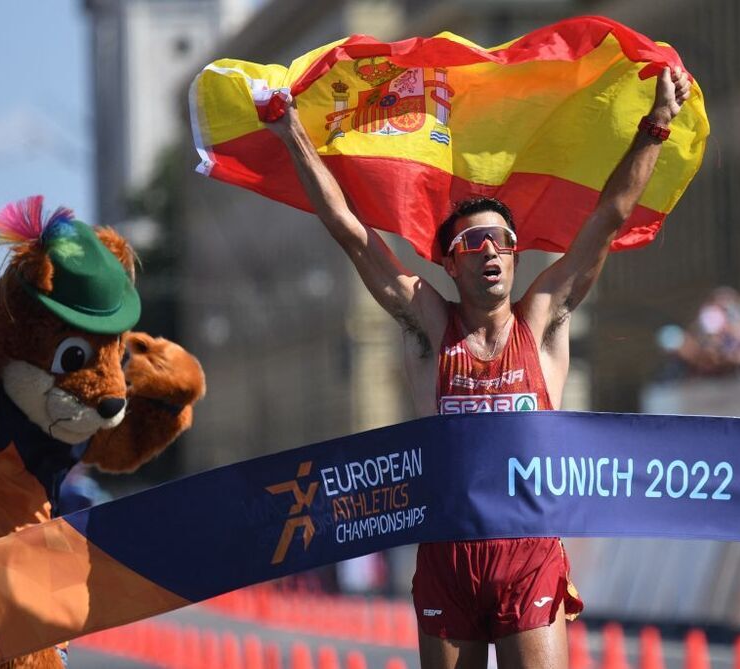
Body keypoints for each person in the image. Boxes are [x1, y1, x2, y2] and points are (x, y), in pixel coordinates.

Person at [266, 65, 690, 668]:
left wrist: (656, 126)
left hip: (528, 558)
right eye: (472, 244)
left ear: (515, 255)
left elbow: (606, 221)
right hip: (448, 560)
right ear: (449, 263)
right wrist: (291, 133)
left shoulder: (542, 320)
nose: (489, 252)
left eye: (501, 241)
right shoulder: (430, 325)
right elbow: (354, 235)